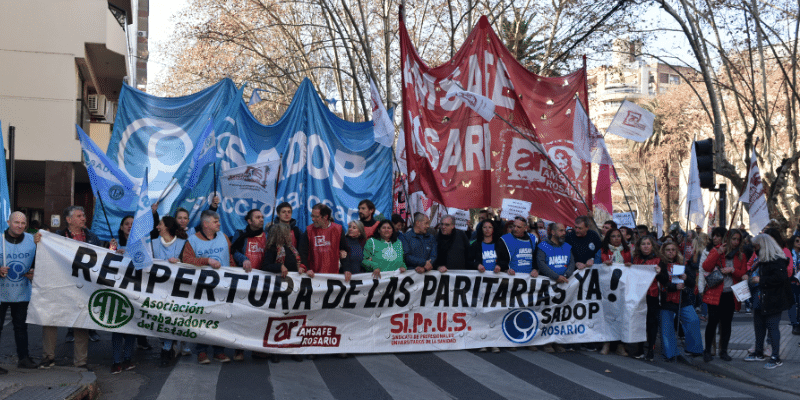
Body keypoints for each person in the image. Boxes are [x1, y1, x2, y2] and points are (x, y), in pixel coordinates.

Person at [38, 206, 112, 368]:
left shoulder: (92, 238)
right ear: (69, 220)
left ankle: (80, 362)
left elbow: (100, 261)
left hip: (82, 288)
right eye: (79, 216)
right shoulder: (57, 237)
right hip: (59, 286)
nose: (84, 218)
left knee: (81, 323)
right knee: (50, 319)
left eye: (84, 215)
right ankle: (48, 357)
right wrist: (39, 240)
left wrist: (112, 252)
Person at [182, 210, 235, 364]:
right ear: (206, 224)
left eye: (218, 221)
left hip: (222, 286)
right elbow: (186, 260)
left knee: (220, 318)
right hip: (202, 288)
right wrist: (207, 260)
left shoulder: (224, 237)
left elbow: (230, 258)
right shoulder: (192, 240)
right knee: (203, 319)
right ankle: (202, 351)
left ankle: (219, 351)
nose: (219, 223)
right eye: (216, 221)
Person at [743, 234, 793, 369]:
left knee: (772, 328)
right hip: (760, 298)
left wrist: (761, 280)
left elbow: (780, 278)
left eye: (756, 247)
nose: (754, 250)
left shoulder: (777, 260)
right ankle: (759, 352)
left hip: (772, 300)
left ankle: (775, 356)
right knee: (759, 327)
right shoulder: (762, 259)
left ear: (763, 246)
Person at [261, 223, 306, 363]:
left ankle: (293, 348)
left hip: (293, 289)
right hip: (279, 289)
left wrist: (303, 268)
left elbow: (300, 263)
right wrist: (279, 266)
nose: (290, 234)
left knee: (293, 319)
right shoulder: (272, 249)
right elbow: (266, 266)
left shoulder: (291, 248)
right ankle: (276, 349)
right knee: (279, 319)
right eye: (287, 232)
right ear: (280, 233)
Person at [702, 228, 747, 363]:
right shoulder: (717, 250)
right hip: (716, 292)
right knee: (712, 323)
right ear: (728, 239)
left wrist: (732, 270)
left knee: (726, 324)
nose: (736, 242)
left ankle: (724, 351)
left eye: (738, 240)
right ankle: (707, 350)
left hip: (730, 293)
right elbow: (706, 266)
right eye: (733, 239)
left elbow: (743, 274)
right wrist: (717, 253)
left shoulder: (740, 255)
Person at [0, 212, 38, 372]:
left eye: (23, 223)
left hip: (22, 291)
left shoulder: (33, 240)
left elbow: (39, 261)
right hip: (1, 293)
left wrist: (34, 271)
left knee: (21, 327)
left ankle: (24, 358)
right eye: (16, 222)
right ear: (8, 222)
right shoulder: (0, 239)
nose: (20, 226)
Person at [151, 216, 189, 365]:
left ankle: (166, 348)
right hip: (157, 288)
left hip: (177, 288)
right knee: (159, 317)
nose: (157, 227)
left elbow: (190, 262)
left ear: (166, 227)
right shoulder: (153, 243)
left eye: (160, 224)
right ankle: (167, 343)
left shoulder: (183, 243)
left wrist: (180, 262)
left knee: (171, 316)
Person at [657, 241, 703, 362]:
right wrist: (673, 287)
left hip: (683, 299)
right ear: (663, 252)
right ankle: (670, 353)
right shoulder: (660, 265)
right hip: (666, 300)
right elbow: (661, 280)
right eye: (668, 250)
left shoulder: (683, 264)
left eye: (673, 249)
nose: (671, 252)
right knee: (667, 327)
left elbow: (692, 282)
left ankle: (694, 349)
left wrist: (686, 278)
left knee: (693, 320)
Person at [536, 222, 578, 353]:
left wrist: (566, 275)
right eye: (560, 230)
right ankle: (546, 341)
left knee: (560, 314)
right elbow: (541, 263)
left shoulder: (567, 246)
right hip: (549, 285)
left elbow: (572, 262)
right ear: (553, 232)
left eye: (564, 230)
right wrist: (555, 276)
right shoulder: (543, 246)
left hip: (564, 285)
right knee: (547, 314)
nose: (564, 233)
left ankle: (557, 341)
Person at [468, 219, 501, 353]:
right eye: (485, 227)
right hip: (480, 284)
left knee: (494, 313)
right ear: (481, 229)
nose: (487, 229)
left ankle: (493, 341)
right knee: (480, 313)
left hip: (496, 284)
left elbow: (505, 260)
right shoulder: (476, 245)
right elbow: (468, 260)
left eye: (490, 227)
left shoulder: (499, 245)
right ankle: (481, 340)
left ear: (493, 229)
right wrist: (477, 265)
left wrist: (500, 266)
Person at [598, 228, 631, 357]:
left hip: (623, 289)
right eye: (613, 236)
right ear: (608, 238)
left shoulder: (627, 251)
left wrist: (629, 265)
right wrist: (602, 264)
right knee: (608, 315)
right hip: (607, 290)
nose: (616, 238)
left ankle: (620, 345)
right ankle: (606, 343)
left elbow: (633, 266)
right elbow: (596, 266)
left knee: (622, 316)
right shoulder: (602, 251)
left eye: (618, 236)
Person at [632, 235, 664, 361]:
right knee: (640, 322)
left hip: (652, 295)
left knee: (651, 322)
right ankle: (639, 349)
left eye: (648, 244)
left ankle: (651, 349)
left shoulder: (658, 260)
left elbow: (664, 279)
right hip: (638, 295)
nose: (646, 246)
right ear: (639, 246)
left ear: (652, 246)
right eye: (643, 244)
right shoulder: (636, 259)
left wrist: (659, 272)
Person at [305, 203, 344, 277]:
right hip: (314, 276)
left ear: (325, 217)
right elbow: (303, 252)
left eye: (316, 217)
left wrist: (347, 269)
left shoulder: (338, 229)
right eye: (312, 216)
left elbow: (344, 251)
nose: (313, 219)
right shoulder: (308, 230)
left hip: (333, 276)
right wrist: (307, 268)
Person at [230, 209, 266, 274]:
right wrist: (244, 259)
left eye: (262, 217)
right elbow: (234, 252)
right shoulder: (240, 234)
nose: (261, 220)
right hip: (244, 273)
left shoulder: (267, 235)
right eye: (258, 217)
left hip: (262, 276)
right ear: (249, 221)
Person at [789, 234, 800, 336]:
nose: (799, 243)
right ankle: (794, 325)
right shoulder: (789, 253)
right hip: (791, 282)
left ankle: (798, 324)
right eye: (797, 241)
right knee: (792, 304)